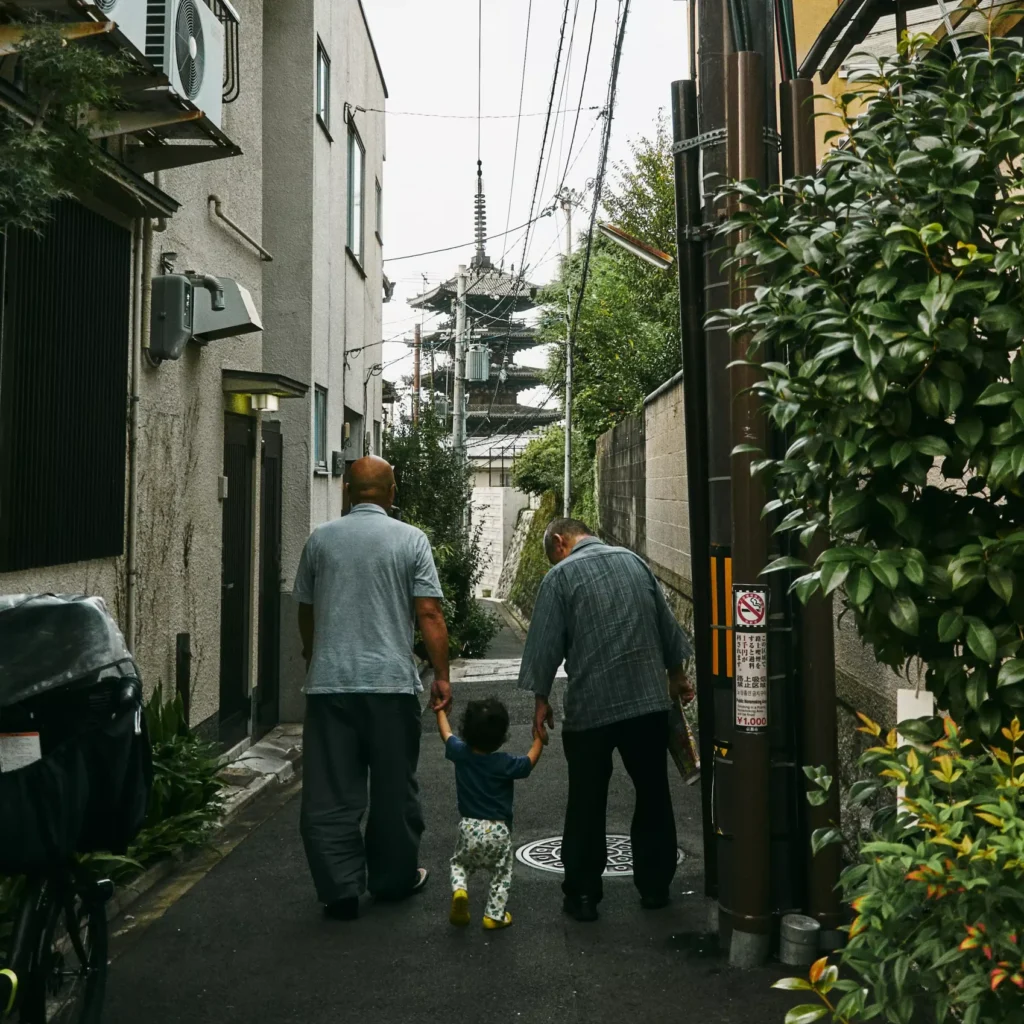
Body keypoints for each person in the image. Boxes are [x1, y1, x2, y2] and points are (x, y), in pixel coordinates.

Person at [294, 455, 452, 921]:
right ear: (392, 490)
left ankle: (339, 890)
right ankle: (392, 880)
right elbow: (429, 613)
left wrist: (312, 654)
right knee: (392, 790)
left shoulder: (320, 540)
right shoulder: (411, 540)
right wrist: (441, 675)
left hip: (330, 688)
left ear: (345, 489)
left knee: (328, 793)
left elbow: (305, 608)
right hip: (390, 687)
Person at [517, 518, 694, 923]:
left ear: (560, 541)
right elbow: (666, 627)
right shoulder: (635, 563)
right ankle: (654, 888)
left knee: (586, 800)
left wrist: (540, 700)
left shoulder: (560, 577)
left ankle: (582, 895)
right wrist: (677, 677)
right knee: (652, 793)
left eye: (552, 555)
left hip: (591, 709)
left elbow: (545, 645)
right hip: (647, 704)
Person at [436, 697, 544, 930]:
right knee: (501, 873)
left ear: (466, 730)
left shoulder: (461, 753)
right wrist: (539, 740)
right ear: (501, 736)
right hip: (498, 830)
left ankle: (461, 890)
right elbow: (528, 764)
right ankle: (493, 915)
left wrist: (440, 711)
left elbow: (445, 734)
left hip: (468, 827)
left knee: (459, 864)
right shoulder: (503, 763)